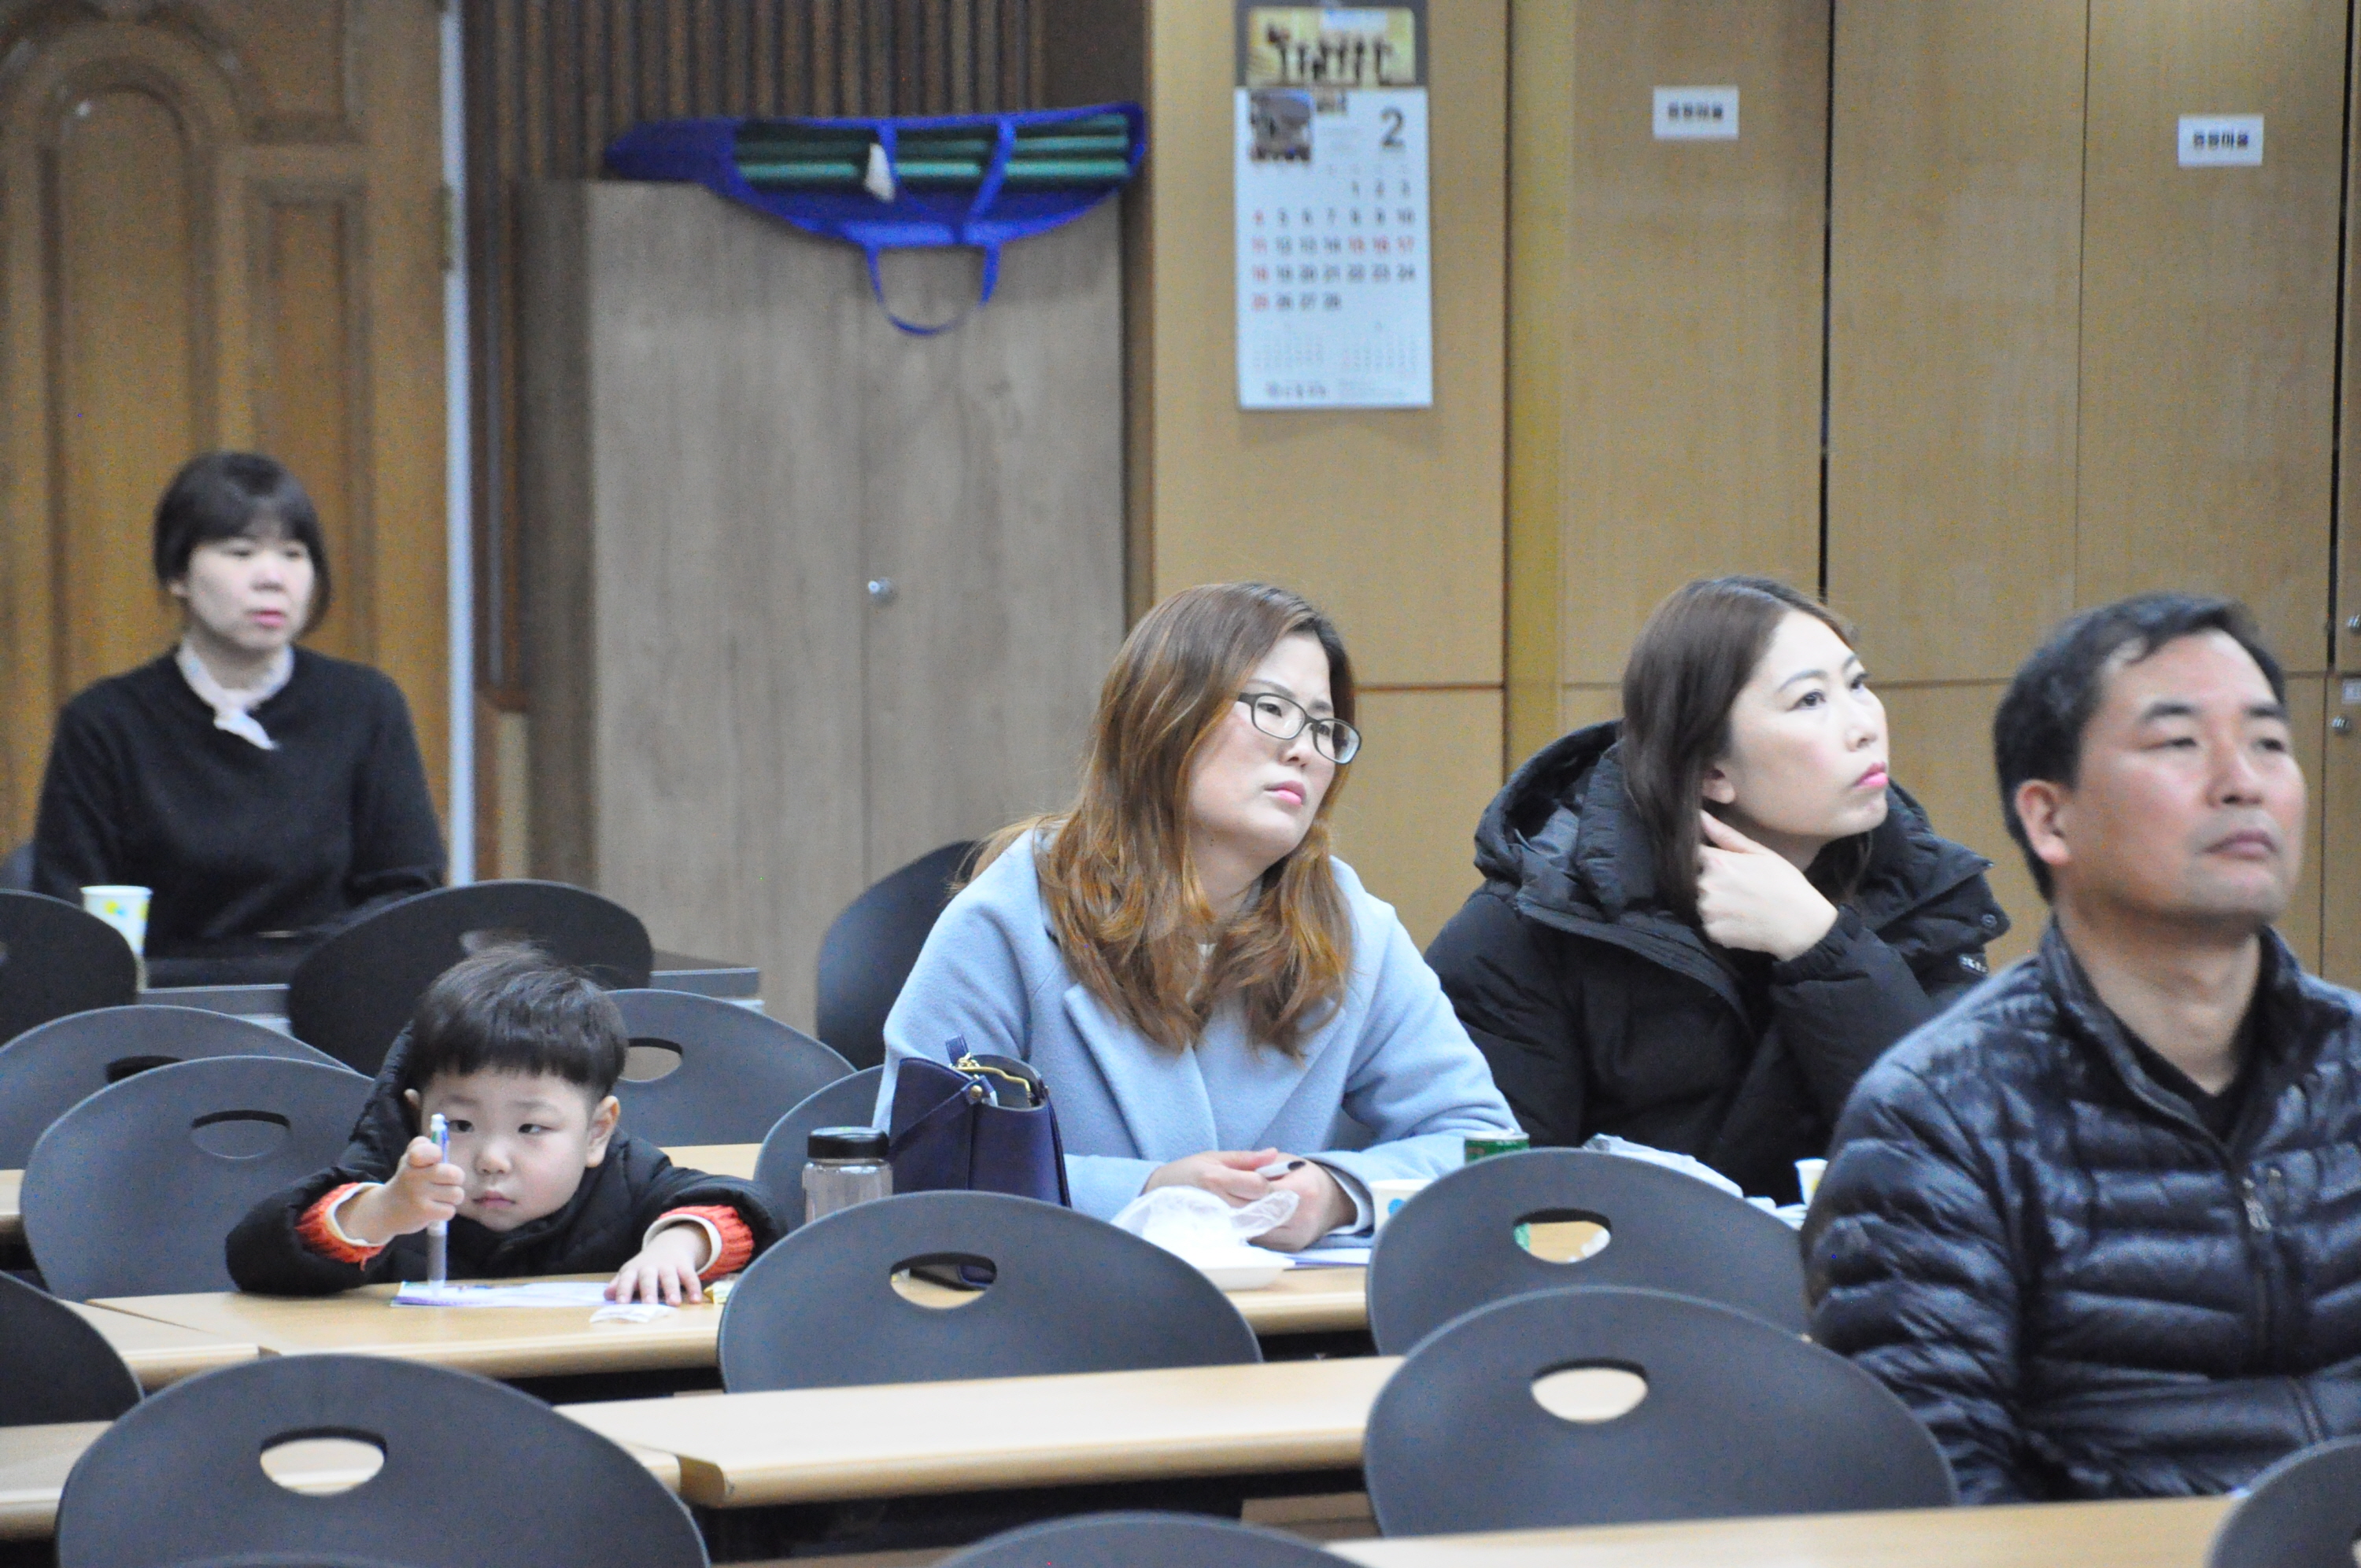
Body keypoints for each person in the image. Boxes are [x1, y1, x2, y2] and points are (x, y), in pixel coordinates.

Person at [1805, 592, 2361, 1501]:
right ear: (2049, 818)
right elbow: (1930, 1506)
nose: (2243, 782)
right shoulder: (1939, 1118)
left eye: (2268, 742)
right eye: (2179, 742)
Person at [873, 581, 1517, 1249]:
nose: (1306, 750)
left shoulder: (1352, 927)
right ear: (1166, 715)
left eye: (1325, 728)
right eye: (1274, 708)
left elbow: (1484, 1147)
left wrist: (1338, 1193)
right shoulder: (1014, 913)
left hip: (1285, 1312)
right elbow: (915, 1170)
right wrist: (1146, 1192)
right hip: (1056, 1299)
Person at [1426, 576, 2007, 1203]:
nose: (1865, 724)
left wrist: (1826, 947)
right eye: (1811, 700)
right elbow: (1500, 1203)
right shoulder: (1532, 926)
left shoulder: (1924, 893)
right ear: (1710, 770)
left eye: (1858, 684)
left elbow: (1970, 1161)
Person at [32, 451, 443, 984]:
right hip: (161, 1005)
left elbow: (407, 894)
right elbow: (68, 916)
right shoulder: (104, 722)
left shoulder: (365, 705)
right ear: (178, 573)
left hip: (327, 995)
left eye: (293, 554)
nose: (272, 578)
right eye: (241, 552)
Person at [229, 946, 778, 1301]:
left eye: (531, 1129)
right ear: (419, 1115)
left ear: (596, 1131)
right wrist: (381, 1212)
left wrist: (680, 1245)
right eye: (460, 1124)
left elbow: (744, 1210)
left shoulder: (623, 1177)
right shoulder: (396, 1178)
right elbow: (257, 1257)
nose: (492, 1158)